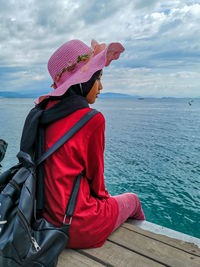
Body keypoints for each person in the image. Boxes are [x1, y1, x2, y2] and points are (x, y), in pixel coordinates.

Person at [21, 39, 145, 249]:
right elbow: (97, 183)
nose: (101, 87)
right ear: (83, 80)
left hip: (41, 221)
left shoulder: (40, 114)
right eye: (98, 78)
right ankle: (143, 242)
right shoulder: (92, 119)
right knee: (133, 200)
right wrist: (107, 203)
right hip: (77, 228)